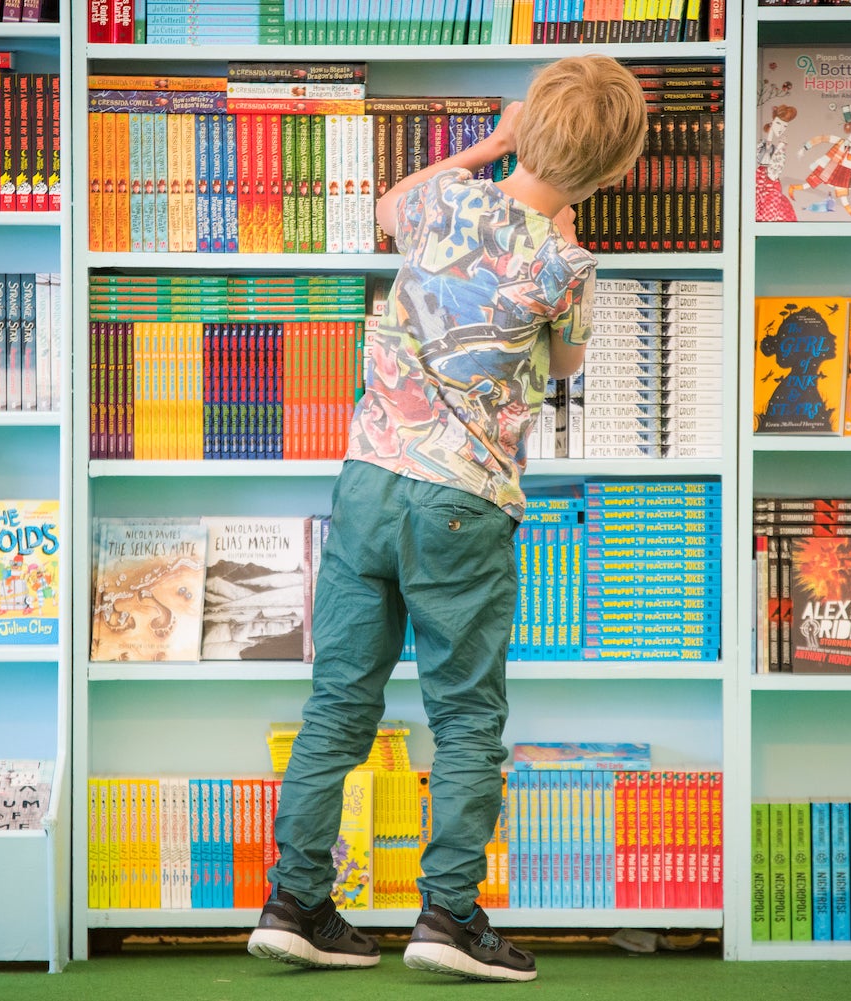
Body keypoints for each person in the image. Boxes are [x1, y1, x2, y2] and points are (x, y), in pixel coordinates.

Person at [246, 55, 647, 983]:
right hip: (463, 501)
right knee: (465, 718)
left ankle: (295, 901)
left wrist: (493, 145)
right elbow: (566, 368)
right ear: (616, 172)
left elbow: (389, 204)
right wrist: (555, 224)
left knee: (339, 703)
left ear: (521, 124)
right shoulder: (568, 263)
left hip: (368, 483)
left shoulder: (438, 201)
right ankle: (448, 918)